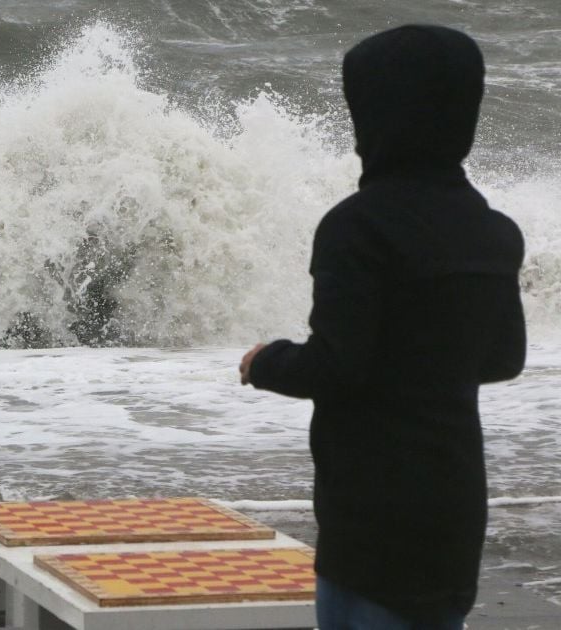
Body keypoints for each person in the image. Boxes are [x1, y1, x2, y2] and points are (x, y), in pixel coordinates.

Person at [238, 25, 527, 630]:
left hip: (372, 512)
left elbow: (336, 366)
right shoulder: (492, 231)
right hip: (454, 501)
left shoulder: (357, 228)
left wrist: (264, 362)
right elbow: (504, 358)